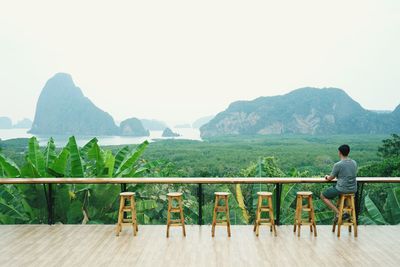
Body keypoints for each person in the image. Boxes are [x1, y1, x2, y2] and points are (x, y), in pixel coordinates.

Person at [320, 144, 357, 222]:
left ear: (339, 153)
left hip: (342, 189)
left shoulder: (338, 165)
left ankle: (339, 213)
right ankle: (347, 213)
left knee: (323, 196)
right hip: (353, 189)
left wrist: (327, 177)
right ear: (348, 152)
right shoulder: (354, 162)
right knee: (343, 195)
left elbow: (331, 178)